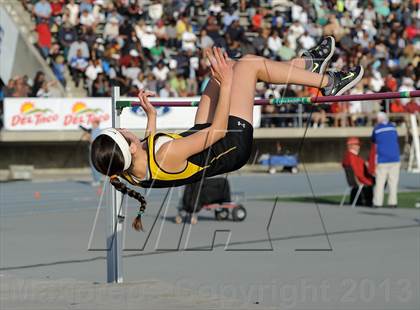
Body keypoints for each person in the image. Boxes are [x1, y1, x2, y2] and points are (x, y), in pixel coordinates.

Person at [91, 37, 364, 230]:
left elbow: (146, 153)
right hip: (230, 142)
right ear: (131, 148)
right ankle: (329, 82)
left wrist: (151, 117)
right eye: (122, 133)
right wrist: (227, 84)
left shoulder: (127, 170)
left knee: (226, 66)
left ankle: (307, 64)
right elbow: (218, 130)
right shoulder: (166, 152)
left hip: (201, 137)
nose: (126, 129)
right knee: (246, 66)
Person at [371, 112, 401, 208]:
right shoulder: (393, 127)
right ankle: (393, 203)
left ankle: (377, 203)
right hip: (394, 158)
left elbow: (373, 140)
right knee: (393, 182)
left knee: (380, 182)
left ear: (379, 119)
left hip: (382, 159)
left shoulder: (377, 129)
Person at [342, 137, 374, 206]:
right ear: (351, 146)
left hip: (353, 180)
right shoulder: (352, 157)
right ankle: (368, 202)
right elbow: (358, 173)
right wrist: (367, 180)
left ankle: (357, 200)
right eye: (357, 145)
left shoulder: (348, 156)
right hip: (359, 179)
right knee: (374, 181)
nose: (359, 147)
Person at [81, 118, 103, 186]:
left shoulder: (96, 131)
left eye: (93, 123)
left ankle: (97, 180)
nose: (92, 124)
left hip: (95, 150)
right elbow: (84, 139)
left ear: (96, 124)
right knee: (94, 165)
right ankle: (97, 179)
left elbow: (93, 141)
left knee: (94, 165)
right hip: (94, 150)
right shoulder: (94, 130)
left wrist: (88, 136)